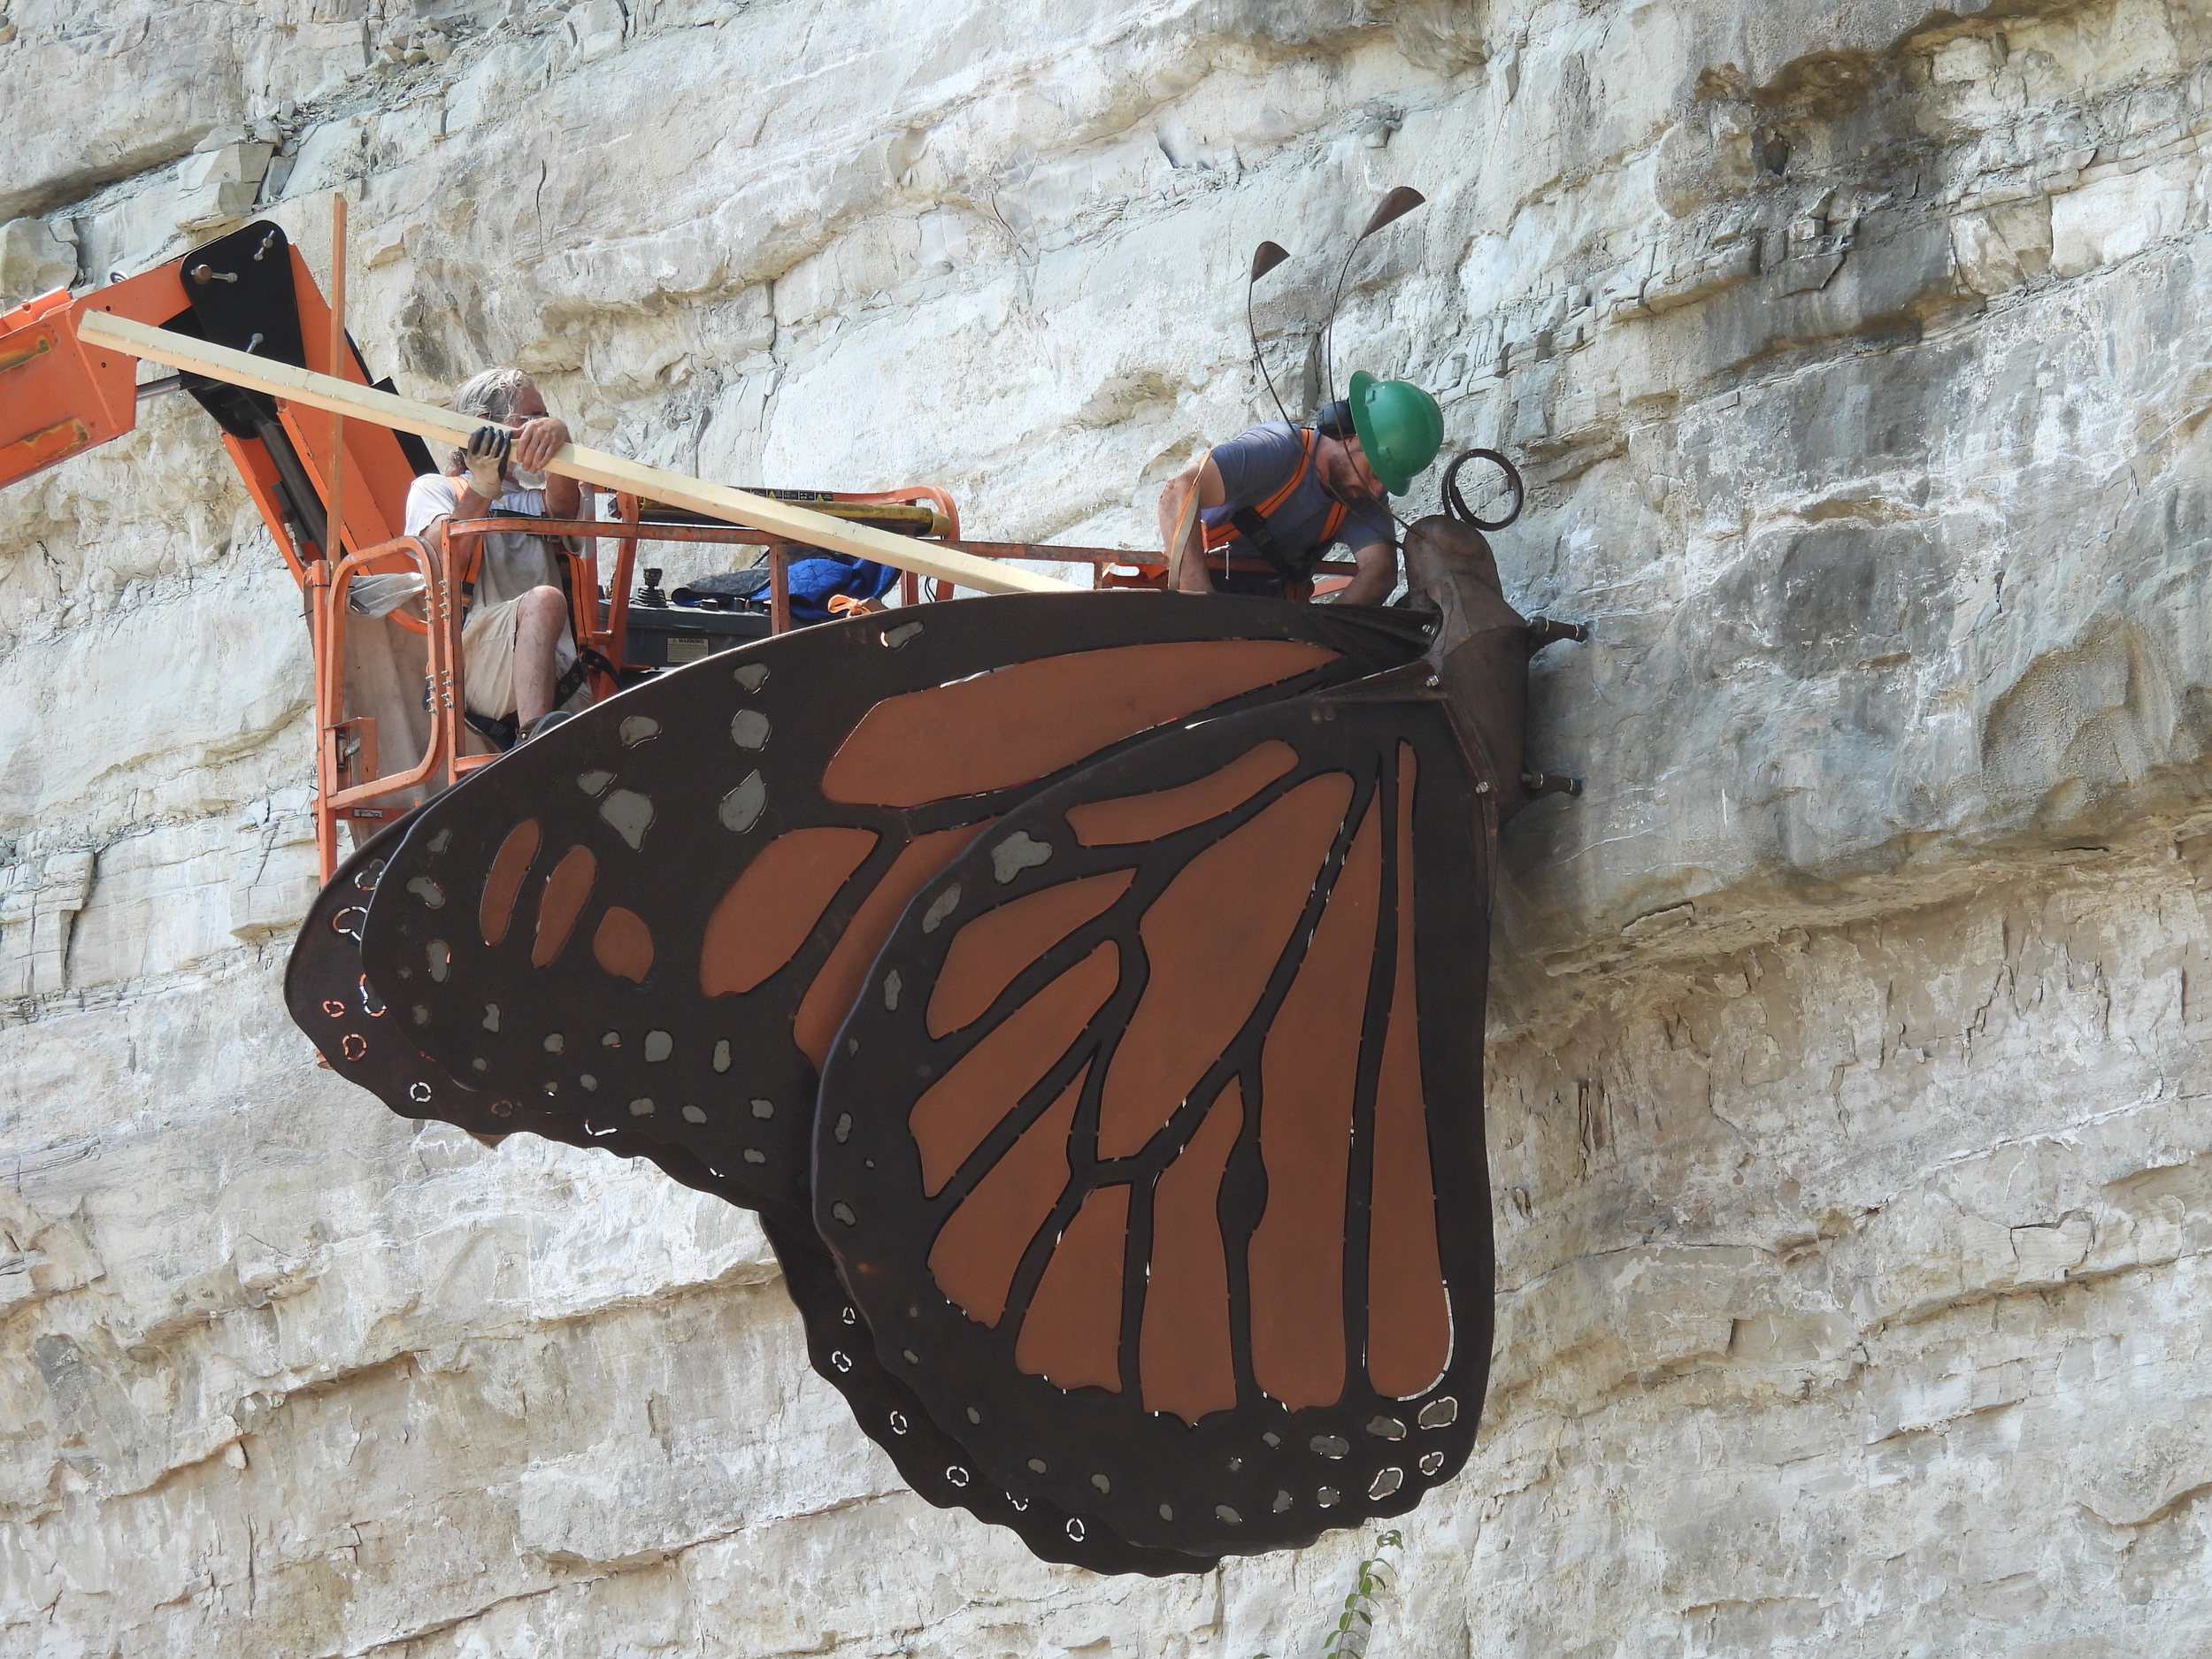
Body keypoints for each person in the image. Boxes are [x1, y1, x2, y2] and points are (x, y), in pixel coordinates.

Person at [400, 367, 592, 745]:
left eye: (543, 416)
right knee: (545, 602)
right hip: (475, 664)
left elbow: (564, 510)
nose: (539, 426)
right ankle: (533, 740)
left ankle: (539, 727)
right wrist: (480, 487)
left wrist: (561, 438)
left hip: (558, 671)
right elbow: (442, 562)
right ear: (484, 424)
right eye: (531, 417)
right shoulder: (436, 490)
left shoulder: (533, 499)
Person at [1156, 373, 1445, 606]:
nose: (1375, 489)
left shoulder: (1361, 494)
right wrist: (1203, 606)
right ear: (1347, 436)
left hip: (1274, 603)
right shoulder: (1277, 450)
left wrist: (1322, 638)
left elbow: (1380, 571)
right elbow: (1177, 494)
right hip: (1208, 580)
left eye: (1385, 482)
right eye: (1372, 472)